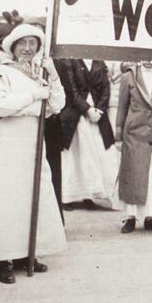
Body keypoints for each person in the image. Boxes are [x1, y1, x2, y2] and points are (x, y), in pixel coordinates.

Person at [0, 24, 67, 284]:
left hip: (34, 141)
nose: (27, 48)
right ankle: (1, 260)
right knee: (8, 198)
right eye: (22, 43)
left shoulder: (40, 72)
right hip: (10, 141)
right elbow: (2, 107)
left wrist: (54, 77)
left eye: (32, 43)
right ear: (13, 47)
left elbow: (56, 105)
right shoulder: (2, 72)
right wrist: (33, 96)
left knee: (30, 197)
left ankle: (24, 254)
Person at [115, 62, 152, 233]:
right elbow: (122, 107)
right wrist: (118, 136)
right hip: (134, 134)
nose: (148, 58)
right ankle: (131, 217)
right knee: (134, 174)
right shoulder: (128, 76)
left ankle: (151, 217)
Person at [60, 58, 117, 210]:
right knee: (75, 156)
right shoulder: (70, 61)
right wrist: (87, 109)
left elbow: (106, 88)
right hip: (75, 116)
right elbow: (71, 91)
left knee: (93, 156)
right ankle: (68, 197)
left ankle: (88, 195)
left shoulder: (99, 61)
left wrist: (99, 110)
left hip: (96, 117)